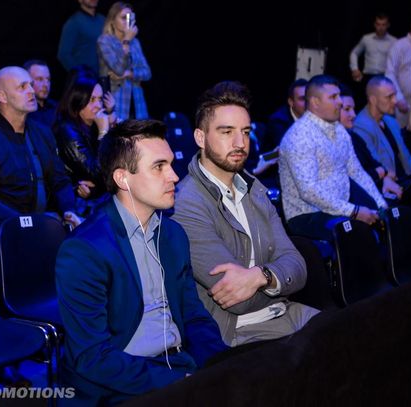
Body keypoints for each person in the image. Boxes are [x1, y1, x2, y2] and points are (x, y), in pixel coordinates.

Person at [55, 119, 228, 405]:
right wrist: (180, 382)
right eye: (159, 166)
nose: (174, 176)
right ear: (123, 178)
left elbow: (193, 315)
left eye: (170, 164)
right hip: (117, 385)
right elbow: (92, 357)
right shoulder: (83, 250)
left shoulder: (173, 235)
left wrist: (220, 364)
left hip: (177, 363)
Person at [172, 81, 318, 346]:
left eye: (246, 132)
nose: (240, 143)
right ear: (200, 138)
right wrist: (276, 277)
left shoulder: (254, 188)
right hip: (238, 332)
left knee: (357, 337)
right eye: (227, 132)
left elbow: (298, 266)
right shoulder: (187, 203)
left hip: (285, 311)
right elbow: (238, 301)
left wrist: (260, 276)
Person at [0, 66, 80, 310]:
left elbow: (60, 181)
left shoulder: (42, 133)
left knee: (86, 246)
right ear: (2, 96)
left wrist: (69, 210)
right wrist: (27, 225)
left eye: (31, 85)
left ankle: (66, 318)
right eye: (23, 87)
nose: (32, 90)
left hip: (37, 223)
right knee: (7, 262)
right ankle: (4, 323)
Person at [279, 74, 387, 242]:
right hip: (307, 215)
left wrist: (381, 206)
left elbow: (357, 172)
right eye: (333, 97)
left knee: (388, 221)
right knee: (355, 233)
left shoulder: (339, 130)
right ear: (315, 102)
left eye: (339, 96)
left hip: (339, 208)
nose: (340, 102)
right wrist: (354, 211)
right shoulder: (300, 135)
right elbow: (309, 191)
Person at [54, 73, 117, 208]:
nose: (98, 105)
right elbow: (96, 172)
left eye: (100, 99)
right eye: (92, 100)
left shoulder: (94, 125)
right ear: (78, 101)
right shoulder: (67, 130)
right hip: (77, 206)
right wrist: (103, 133)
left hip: (99, 198)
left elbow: (115, 167)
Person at [339, 84, 402, 199]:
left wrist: (383, 174)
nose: (353, 115)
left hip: (376, 192)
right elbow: (355, 179)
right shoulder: (357, 129)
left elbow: (376, 164)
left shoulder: (354, 137)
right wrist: (379, 173)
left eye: (353, 109)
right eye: (347, 109)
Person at [97, 2, 152, 121]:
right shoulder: (105, 41)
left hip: (137, 101)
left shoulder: (135, 42)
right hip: (116, 101)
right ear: (112, 20)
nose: (127, 21)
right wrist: (126, 41)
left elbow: (147, 73)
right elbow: (118, 69)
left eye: (130, 17)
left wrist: (129, 74)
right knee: (118, 131)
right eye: (123, 17)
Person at [349, 13, 397, 108]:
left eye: (383, 25)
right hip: (368, 76)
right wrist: (354, 69)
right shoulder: (366, 39)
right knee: (365, 103)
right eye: (378, 24)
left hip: (385, 77)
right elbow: (354, 53)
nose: (381, 27)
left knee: (384, 104)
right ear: (374, 25)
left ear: (388, 25)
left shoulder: (394, 41)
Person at [57, 0, 105, 76]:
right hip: (86, 79)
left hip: (105, 76)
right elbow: (63, 54)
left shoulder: (103, 20)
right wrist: (80, 74)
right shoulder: (73, 22)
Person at [264, 78, 307, 152]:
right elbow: (290, 150)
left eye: (309, 98)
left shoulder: (315, 116)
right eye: (302, 99)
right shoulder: (278, 121)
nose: (307, 103)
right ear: (291, 102)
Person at [24, 59, 58, 127]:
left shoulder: (58, 108)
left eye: (48, 79)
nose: (46, 84)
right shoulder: (23, 112)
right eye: (40, 79)